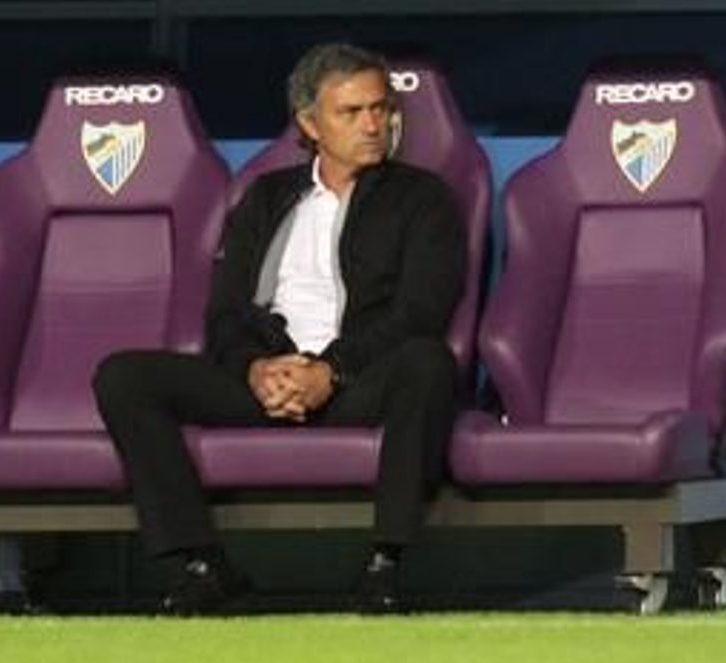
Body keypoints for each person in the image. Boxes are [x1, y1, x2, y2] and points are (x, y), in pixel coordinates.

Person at [92, 42, 465, 615]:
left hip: (357, 383)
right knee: (124, 377)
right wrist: (255, 369)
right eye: (352, 112)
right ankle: (203, 566)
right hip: (270, 382)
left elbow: (420, 313)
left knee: (428, 361)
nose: (373, 125)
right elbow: (226, 311)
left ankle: (384, 566)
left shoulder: (424, 199)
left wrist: (330, 372)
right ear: (310, 124)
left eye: (381, 108)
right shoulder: (266, 198)